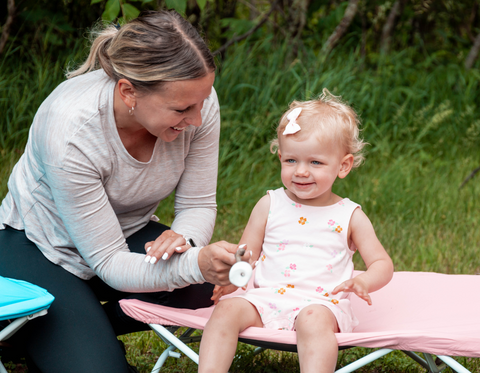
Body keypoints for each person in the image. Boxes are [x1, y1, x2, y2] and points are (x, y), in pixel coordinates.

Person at [0, 10, 240, 373]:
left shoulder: (195, 98)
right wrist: (194, 262)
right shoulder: (71, 131)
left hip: (126, 233)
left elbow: (198, 202)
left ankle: (72, 330)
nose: (197, 119)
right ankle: (36, 334)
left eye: (202, 102)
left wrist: (184, 240)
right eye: (182, 109)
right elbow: (110, 262)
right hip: (40, 245)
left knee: (214, 290)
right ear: (129, 91)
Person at [198, 90, 394, 373]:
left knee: (313, 320)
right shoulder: (270, 203)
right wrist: (234, 276)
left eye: (315, 162)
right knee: (226, 310)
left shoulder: (350, 215)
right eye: (291, 161)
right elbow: (247, 253)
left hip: (321, 303)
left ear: (343, 166)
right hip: (266, 298)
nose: (301, 171)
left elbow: (382, 263)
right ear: (280, 157)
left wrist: (365, 281)